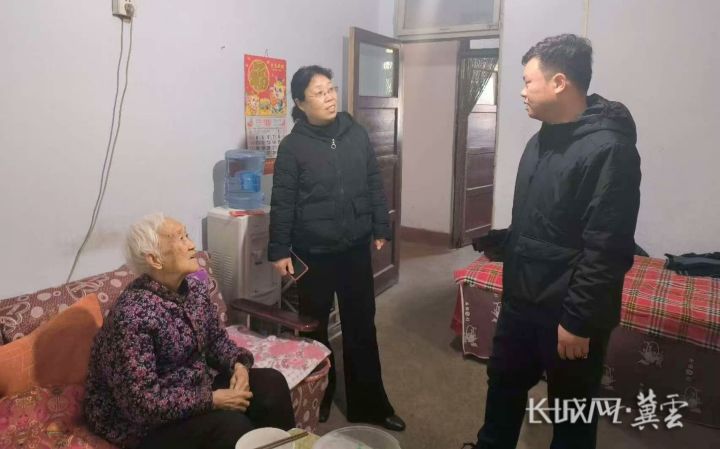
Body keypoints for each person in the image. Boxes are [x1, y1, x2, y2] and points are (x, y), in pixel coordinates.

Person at [471, 34, 641, 448]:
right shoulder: (541, 139)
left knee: (571, 412)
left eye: (528, 81)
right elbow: (538, 221)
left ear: (559, 82)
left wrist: (579, 321)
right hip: (522, 300)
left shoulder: (610, 150)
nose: (522, 91)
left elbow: (607, 248)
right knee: (502, 386)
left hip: (569, 312)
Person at [268, 65, 405, 431]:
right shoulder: (293, 146)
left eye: (331, 89)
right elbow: (283, 201)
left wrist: (380, 225)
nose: (329, 97)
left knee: (361, 326)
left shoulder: (355, 133)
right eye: (319, 93)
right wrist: (279, 250)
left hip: (354, 248)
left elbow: (373, 181)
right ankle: (320, 394)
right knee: (313, 327)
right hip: (312, 252)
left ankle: (370, 405)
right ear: (300, 103)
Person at [83, 213, 295, 449]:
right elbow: (140, 404)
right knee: (233, 427)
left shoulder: (194, 290)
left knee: (272, 385)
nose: (192, 245)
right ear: (155, 259)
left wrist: (239, 366)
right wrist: (212, 400)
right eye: (180, 239)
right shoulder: (132, 316)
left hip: (193, 389)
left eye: (187, 235)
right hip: (143, 425)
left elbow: (216, 341)